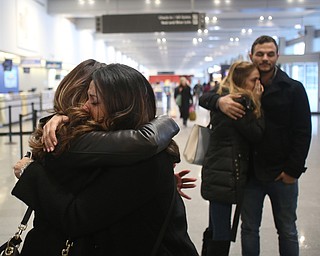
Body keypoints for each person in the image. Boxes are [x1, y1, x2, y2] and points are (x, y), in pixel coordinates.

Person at [12, 63, 199, 256]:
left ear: (120, 107)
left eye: (93, 101)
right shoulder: (112, 149)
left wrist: (29, 170)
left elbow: (77, 216)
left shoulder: (133, 156)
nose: (84, 108)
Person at [202, 35, 312, 256]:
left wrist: (293, 170)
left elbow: (303, 132)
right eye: (260, 54)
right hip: (250, 174)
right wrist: (219, 101)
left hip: (283, 173)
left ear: (277, 56)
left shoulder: (293, 88)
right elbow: (207, 97)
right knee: (249, 229)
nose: (265, 58)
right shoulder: (239, 90)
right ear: (251, 56)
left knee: (288, 229)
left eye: (270, 54)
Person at [199, 61, 265, 256]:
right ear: (242, 81)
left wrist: (218, 101)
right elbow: (256, 133)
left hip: (218, 170)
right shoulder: (240, 102)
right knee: (221, 233)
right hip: (226, 173)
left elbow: (206, 97)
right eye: (254, 80)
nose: (258, 84)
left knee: (215, 227)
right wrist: (257, 100)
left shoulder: (224, 97)